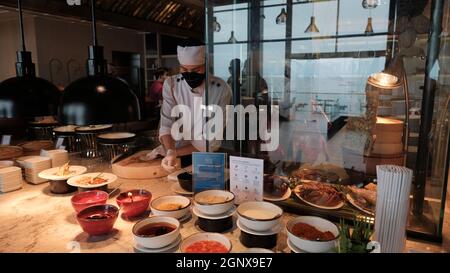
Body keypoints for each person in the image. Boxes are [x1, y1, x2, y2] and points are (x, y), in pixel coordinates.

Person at [143, 41, 232, 172]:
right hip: (173, 151)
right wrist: (169, 151)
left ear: (206, 66)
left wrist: (175, 152)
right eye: (184, 69)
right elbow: (166, 124)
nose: (189, 74)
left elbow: (209, 141)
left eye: (196, 70)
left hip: (204, 156)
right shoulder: (172, 84)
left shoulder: (221, 89)